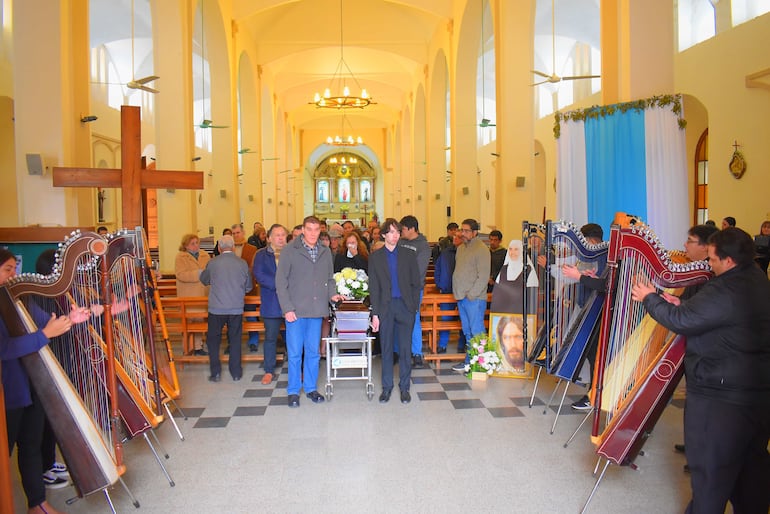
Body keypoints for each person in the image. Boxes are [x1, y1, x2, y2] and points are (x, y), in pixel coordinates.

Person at [630, 228, 770, 514]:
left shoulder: (724, 288)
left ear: (728, 260)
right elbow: (719, 315)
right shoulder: (756, 277)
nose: (708, 262)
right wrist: (681, 302)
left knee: (710, 470)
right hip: (757, 390)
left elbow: (681, 321)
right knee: (751, 465)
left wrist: (649, 298)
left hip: (720, 396)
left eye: (712, 257)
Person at [1, 248, 93, 514]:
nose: (14, 274)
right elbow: (5, 349)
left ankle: (37, 503)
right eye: (8, 269)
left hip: (33, 381)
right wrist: (44, 335)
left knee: (31, 445)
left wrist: (70, 320)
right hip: (10, 387)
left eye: (14, 268)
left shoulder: (15, 297)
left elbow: (46, 323)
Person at [276, 216, 342, 408]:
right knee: (295, 353)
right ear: (303, 230)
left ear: (320, 231)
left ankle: (311, 388)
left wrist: (333, 295)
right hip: (295, 311)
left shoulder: (325, 251)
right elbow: (281, 282)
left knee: (313, 352)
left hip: (316, 310)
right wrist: (287, 308)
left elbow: (329, 279)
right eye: (309, 229)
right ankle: (293, 390)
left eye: (316, 230)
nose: (313, 233)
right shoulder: (290, 250)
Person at [368, 218, 422, 404]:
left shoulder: (408, 255)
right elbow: (374, 287)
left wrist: (413, 306)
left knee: (406, 349)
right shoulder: (375, 257)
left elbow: (416, 283)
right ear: (383, 234)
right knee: (387, 349)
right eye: (391, 232)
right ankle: (387, 387)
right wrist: (375, 314)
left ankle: (405, 387)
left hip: (405, 306)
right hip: (386, 307)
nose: (395, 235)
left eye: (397, 231)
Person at [199, 235, 253, 382]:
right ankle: (236, 373)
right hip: (236, 308)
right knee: (235, 340)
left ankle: (215, 372)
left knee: (214, 340)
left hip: (216, 308)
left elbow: (204, 280)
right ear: (234, 247)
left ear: (219, 247)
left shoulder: (213, 263)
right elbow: (249, 287)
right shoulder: (242, 263)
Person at [451, 219, 491, 373]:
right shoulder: (461, 249)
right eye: (462, 230)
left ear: (475, 233)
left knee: (477, 331)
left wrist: (472, 294)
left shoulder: (481, 249)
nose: (463, 233)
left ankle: (481, 364)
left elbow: (483, 276)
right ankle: (469, 361)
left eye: (467, 231)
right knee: (467, 331)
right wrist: (459, 293)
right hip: (461, 297)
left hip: (474, 299)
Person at [253, 224, 288, 385]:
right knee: (270, 338)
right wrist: (281, 285)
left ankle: (299, 370)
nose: (281, 238)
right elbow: (259, 274)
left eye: (283, 235)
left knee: (293, 339)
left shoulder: (292, 253)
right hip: (272, 303)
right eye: (277, 235)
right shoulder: (261, 255)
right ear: (269, 238)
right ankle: (269, 370)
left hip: (291, 303)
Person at [398, 215, 430, 368]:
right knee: (398, 319)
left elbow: (419, 269)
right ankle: (399, 351)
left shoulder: (423, 245)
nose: (401, 232)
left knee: (414, 319)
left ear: (411, 229)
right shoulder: (400, 242)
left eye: (403, 229)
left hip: (413, 289)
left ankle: (417, 353)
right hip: (397, 287)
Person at [174, 233, 211, 356]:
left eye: (197, 243)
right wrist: (198, 274)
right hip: (188, 293)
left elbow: (210, 271)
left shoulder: (205, 255)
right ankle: (188, 347)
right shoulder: (181, 257)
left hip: (202, 293)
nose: (196, 246)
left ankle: (198, 346)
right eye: (192, 243)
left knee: (200, 320)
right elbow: (181, 274)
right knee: (189, 321)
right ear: (186, 245)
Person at [433, 233, 466, 353]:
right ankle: (442, 345)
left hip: (463, 292)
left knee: (463, 319)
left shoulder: (467, 252)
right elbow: (438, 269)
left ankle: (462, 345)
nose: (455, 239)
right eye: (454, 237)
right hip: (447, 291)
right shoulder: (446, 253)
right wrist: (440, 284)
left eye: (458, 237)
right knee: (445, 319)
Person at [231, 224, 260, 353]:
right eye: (234, 233)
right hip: (232, 289)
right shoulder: (229, 249)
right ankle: (233, 342)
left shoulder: (252, 249)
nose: (236, 235)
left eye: (238, 232)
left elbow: (254, 267)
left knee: (251, 315)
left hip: (248, 288)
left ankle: (253, 340)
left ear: (243, 233)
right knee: (232, 317)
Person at [489, 240, 539, 314]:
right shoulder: (503, 270)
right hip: (503, 314)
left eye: (516, 249)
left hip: (522, 315)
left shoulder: (529, 271)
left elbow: (531, 299)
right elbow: (497, 296)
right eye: (510, 249)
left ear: (522, 251)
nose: (513, 252)